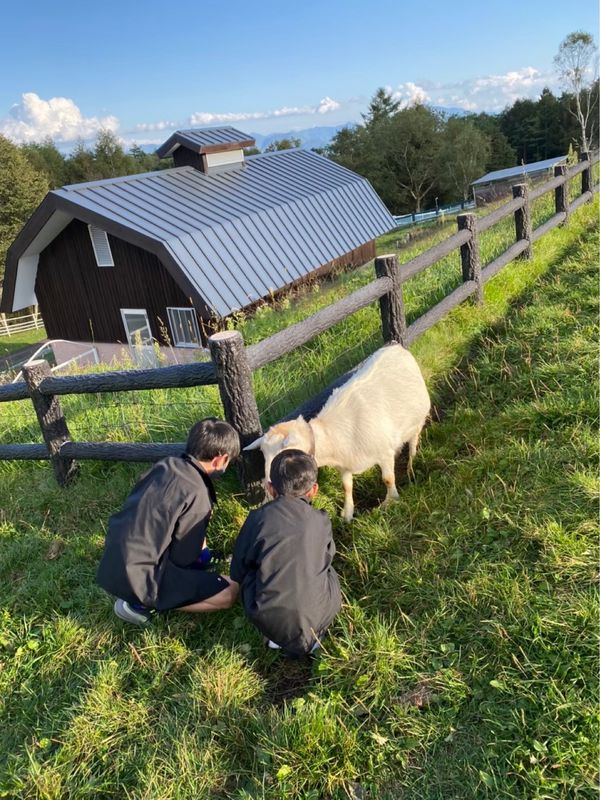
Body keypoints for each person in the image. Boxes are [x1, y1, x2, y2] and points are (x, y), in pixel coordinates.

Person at [96, 417, 241, 625]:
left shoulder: (165, 465)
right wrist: (196, 568)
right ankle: (139, 604)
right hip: (141, 578)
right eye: (229, 461)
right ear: (220, 460)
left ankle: (145, 592)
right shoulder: (198, 492)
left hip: (115, 562)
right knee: (229, 592)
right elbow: (184, 558)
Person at [230, 449, 341, 657]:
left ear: (270, 488)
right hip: (319, 618)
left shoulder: (257, 519)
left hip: (268, 619)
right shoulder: (321, 519)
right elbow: (327, 557)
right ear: (314, 490)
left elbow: (238, 571)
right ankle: (313, 639)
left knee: (251, 572)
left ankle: (276, 639)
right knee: (328, 570)